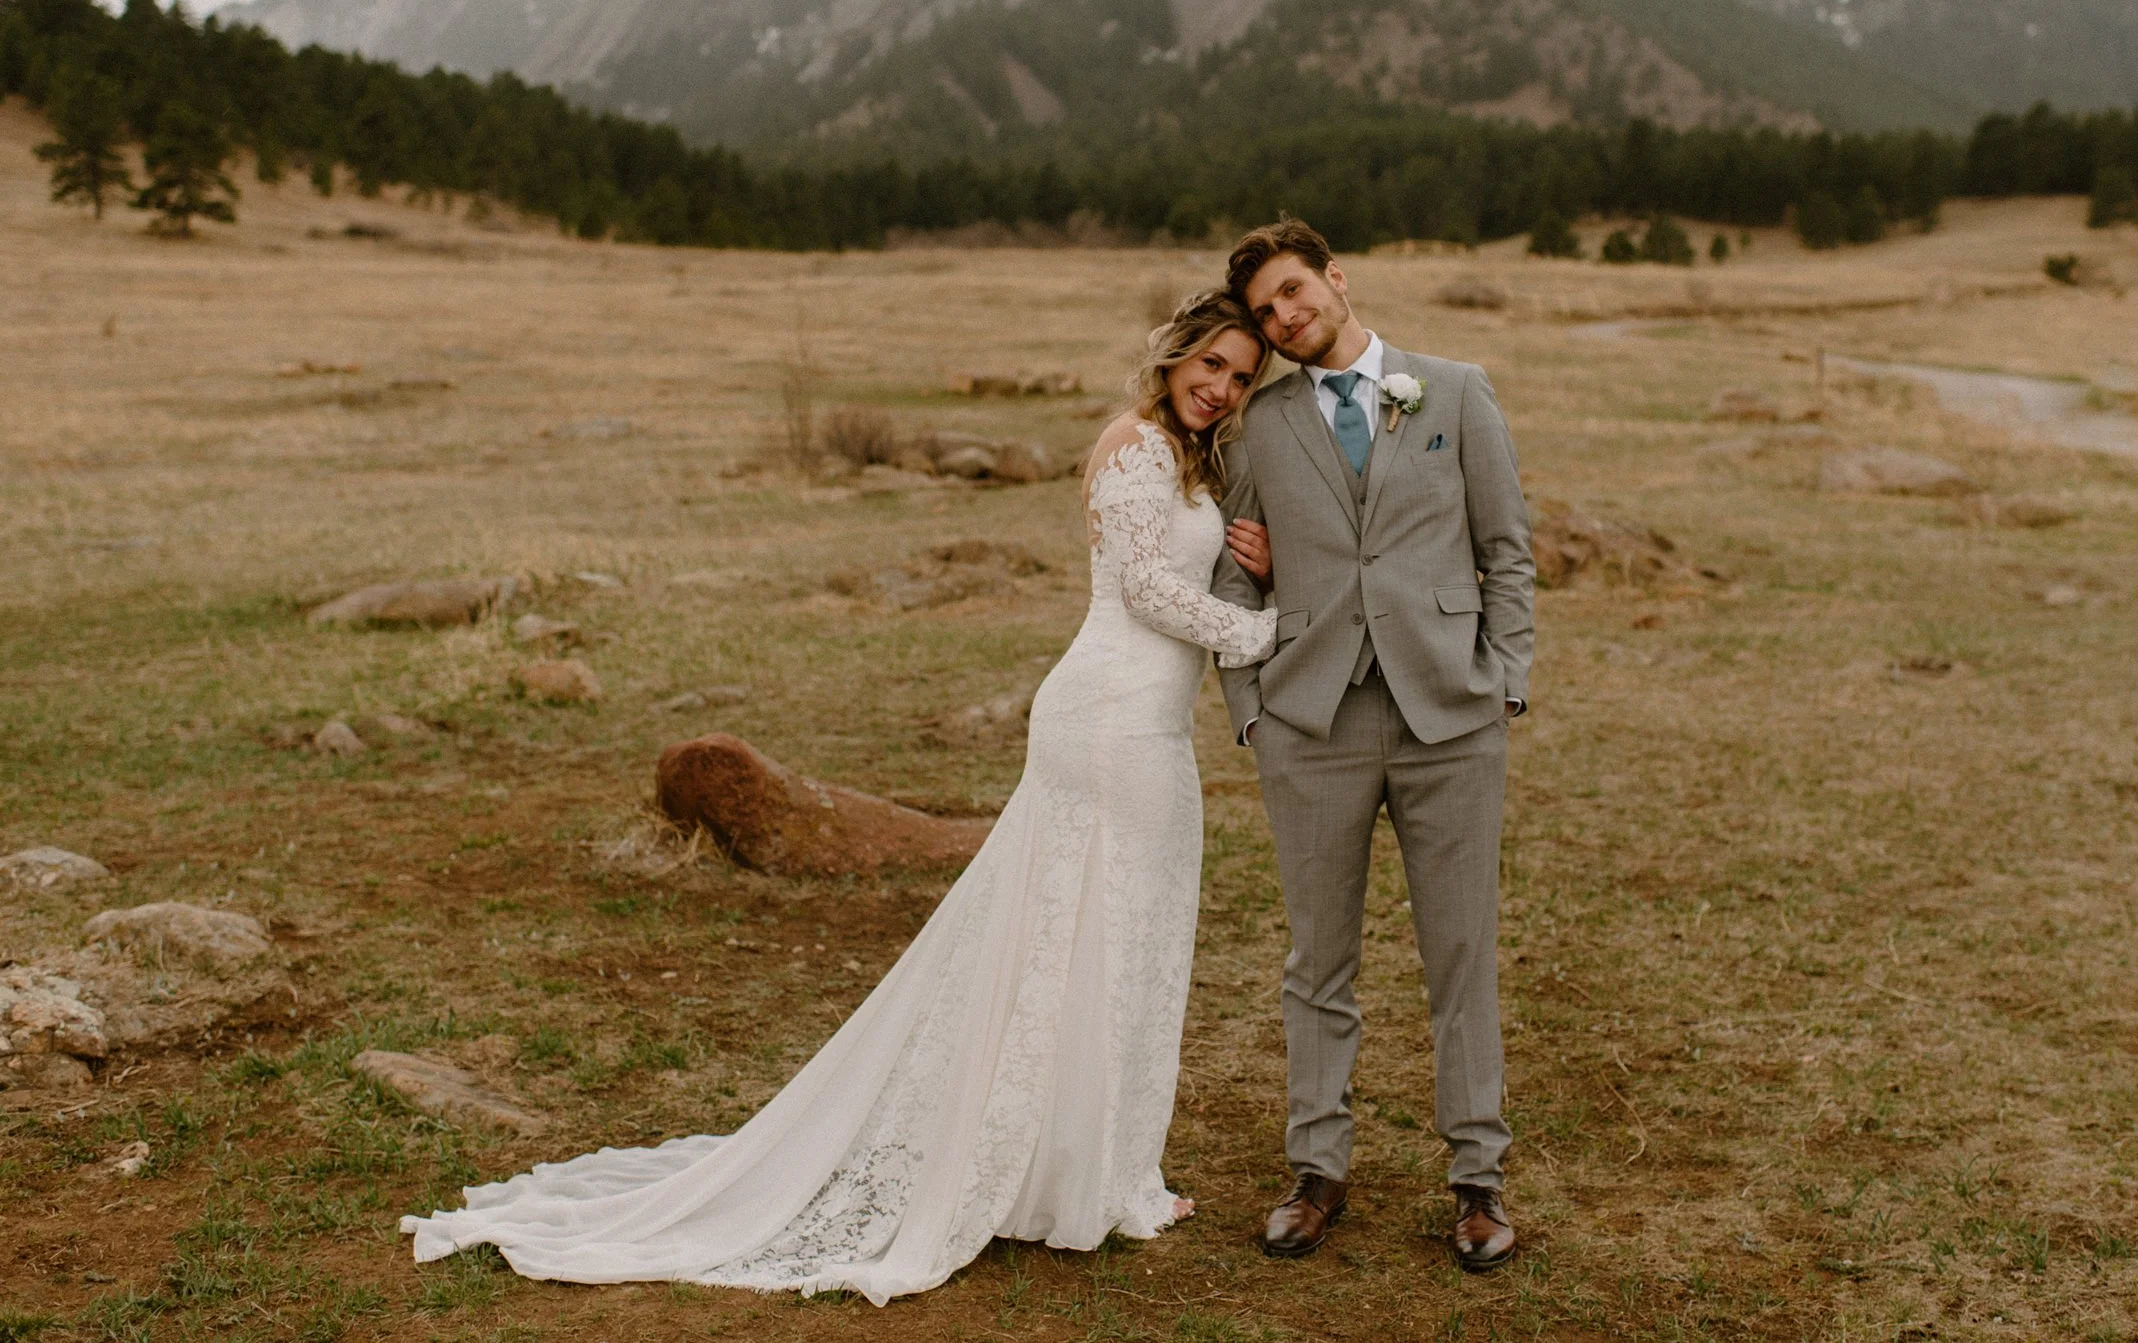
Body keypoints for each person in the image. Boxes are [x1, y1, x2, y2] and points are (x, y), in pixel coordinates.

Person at [401, 292, 1277, 1305]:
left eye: (1239, 375)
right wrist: (1262, 629)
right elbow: (1142, 592)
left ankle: (1108, 1170)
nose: (1218, 385)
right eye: (1207, 364)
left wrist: (1246, 560)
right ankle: (1069, 1177)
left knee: (1128, 945)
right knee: (1083, 939)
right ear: (1172, 358)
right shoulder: (1131, 443)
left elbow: (1184, 570)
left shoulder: (1190, 458)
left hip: (1153, 726)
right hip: (1108, 720)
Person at [1211, 217, 1536, 1272]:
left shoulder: (1454, 389)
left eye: (1294, 292)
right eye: (1265, 311)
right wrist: (1250, 709)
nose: (1285, 317)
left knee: (1461, 955)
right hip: (1312, 722)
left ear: (1336, 281)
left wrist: (1506, 684)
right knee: (1318, 960)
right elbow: (1235, 574)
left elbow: (1507, 553)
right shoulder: (1258, 426)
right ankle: (1317, 1171)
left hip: (1451, 716)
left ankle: (1477, 1181)